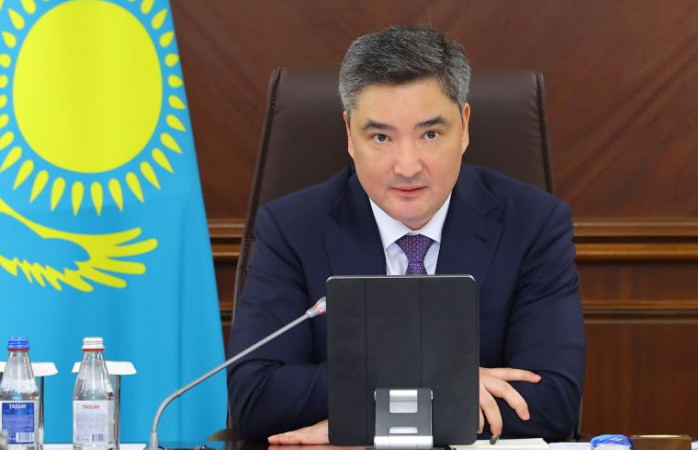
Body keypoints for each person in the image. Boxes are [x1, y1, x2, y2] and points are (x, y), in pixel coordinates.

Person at [226, 25, 586, 445]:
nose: (408, 167)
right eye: (381, 137)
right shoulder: (291, 228)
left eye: (430, 134)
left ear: (465, 126)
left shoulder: (533, 224)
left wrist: (364, 415)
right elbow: (255, 397)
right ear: (349, 135)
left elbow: (552, 402)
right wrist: (441, 384)